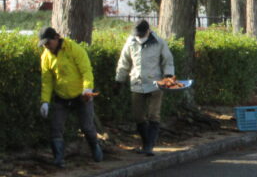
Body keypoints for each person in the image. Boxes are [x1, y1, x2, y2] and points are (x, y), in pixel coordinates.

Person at [38, 26, 102, 167]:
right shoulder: (46, 56)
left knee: (87, 126)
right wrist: (45, 101)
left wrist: (87, 88)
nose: (47, 46)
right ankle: (58, 158)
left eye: (48, 43)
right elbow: (47, 81)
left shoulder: (74, 49)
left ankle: (95, 146)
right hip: (61, 96)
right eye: (44, 44)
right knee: (56, 127)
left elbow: (86, 70)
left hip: (80, 96)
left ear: (56, 38)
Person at [115, 20, 175, 156]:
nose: (140, 37)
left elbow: (168, 60)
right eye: (138, 34)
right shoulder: (130, 42)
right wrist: (119, 80)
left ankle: (149, 146)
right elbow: (123, 62)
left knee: (154, 114)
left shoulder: (159, 42)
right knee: (138, 116)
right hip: (137, 82)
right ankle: (146, 142)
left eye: (142, 34)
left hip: (155, 83)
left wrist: (169, 76)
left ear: (148, 31)